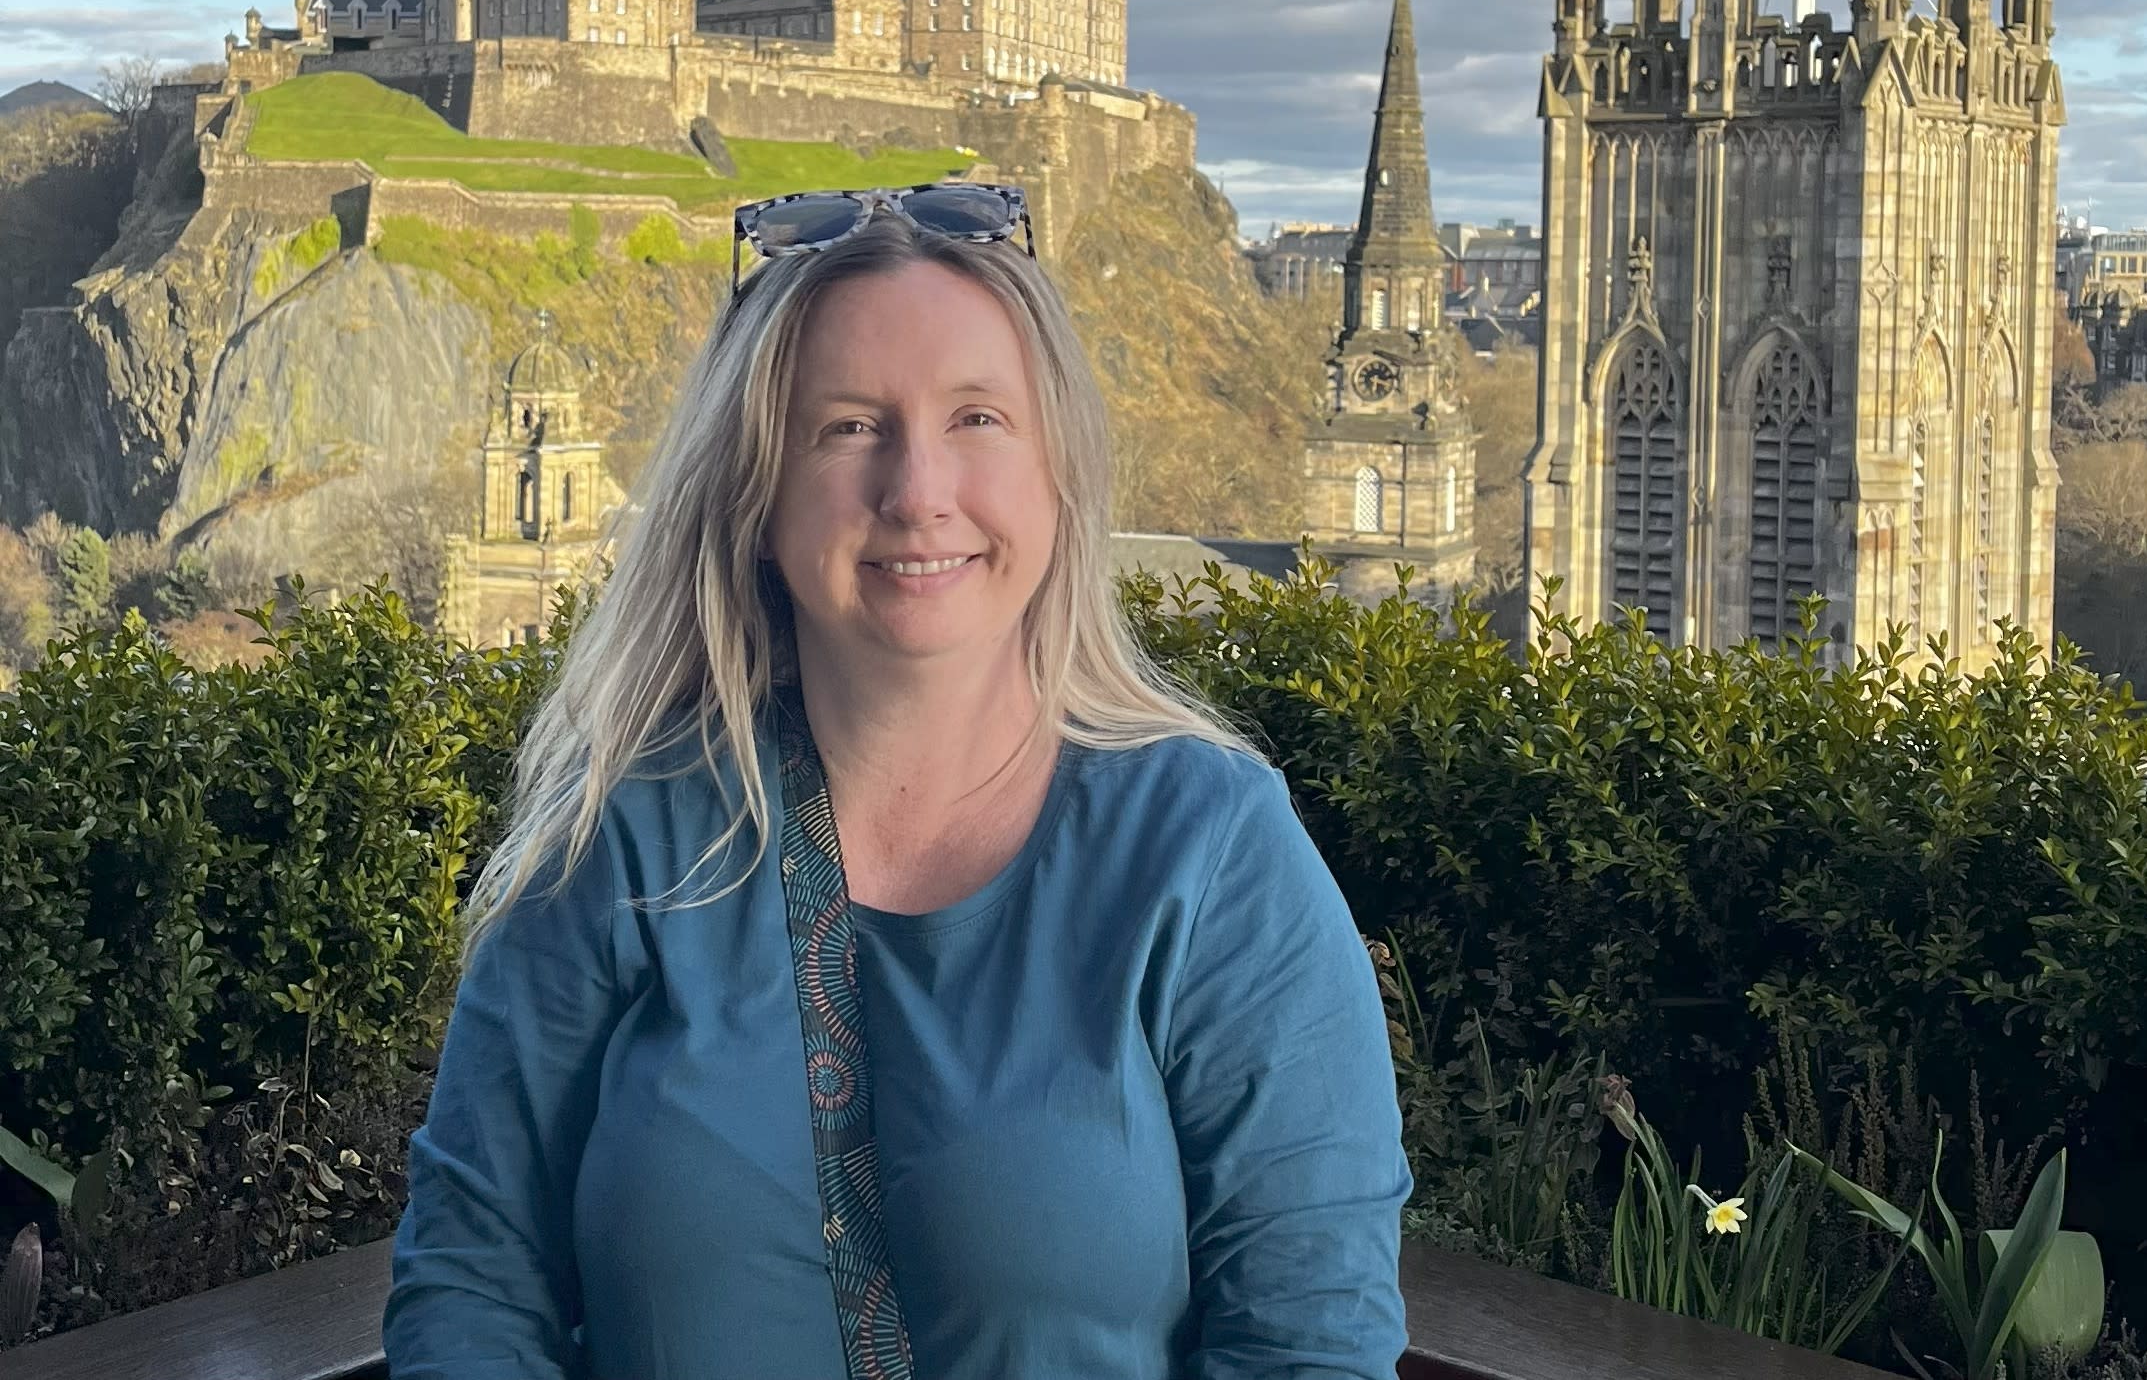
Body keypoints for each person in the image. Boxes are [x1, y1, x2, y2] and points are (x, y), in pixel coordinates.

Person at [384, 181, 1412, 1380]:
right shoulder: (617, 837)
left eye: (976, 417)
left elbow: (1308, 1342)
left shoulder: (1215, 855)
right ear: (757, 495)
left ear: (1058, 473)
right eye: (849, 425)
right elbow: (474, 1277)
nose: (917, 488)